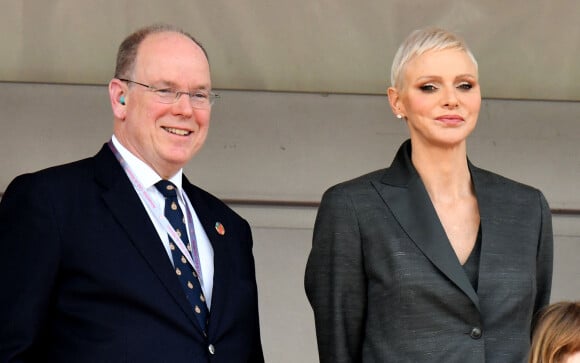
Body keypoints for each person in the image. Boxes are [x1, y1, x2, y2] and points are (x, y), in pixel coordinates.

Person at [0, 24, 264, 362]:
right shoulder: (50, 202)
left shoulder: (230, 228)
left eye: (199, 94)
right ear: (120, 97)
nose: (185, 109)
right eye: (166, 90)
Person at [305, 27, 553, 362]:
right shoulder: (353, 208)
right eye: (429, 86)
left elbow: (539, 341)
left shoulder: (527, 209)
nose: (451, 99)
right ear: (397, 101)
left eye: (465, 84)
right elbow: (338, 349)